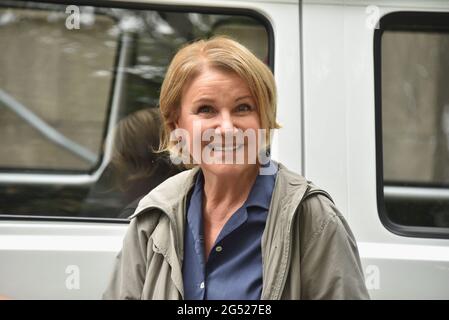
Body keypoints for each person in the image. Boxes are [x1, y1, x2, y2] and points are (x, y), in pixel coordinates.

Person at [103, 36, 369, 299]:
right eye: (206, 109)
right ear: (176, 125)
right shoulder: (155, 214)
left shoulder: (311, 218)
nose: (227, 128)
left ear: (264, 119)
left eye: (243, 108)